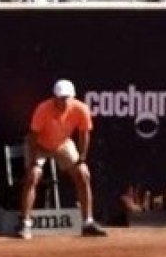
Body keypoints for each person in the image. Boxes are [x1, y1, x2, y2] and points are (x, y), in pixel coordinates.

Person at [19, 79, 108, 240]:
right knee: (33, 176)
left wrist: (82, 159)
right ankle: (26, 224)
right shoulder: (43, 109)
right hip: (39, 145)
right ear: (54, 97)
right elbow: (33, 136)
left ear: (72, 97)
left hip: (62, 144)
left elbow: (84, 134)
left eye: (67, 98)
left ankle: (87, 223)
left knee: (83, 173)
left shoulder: (81, 109)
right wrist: (33, 161)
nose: (63, 101)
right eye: (60, 98)